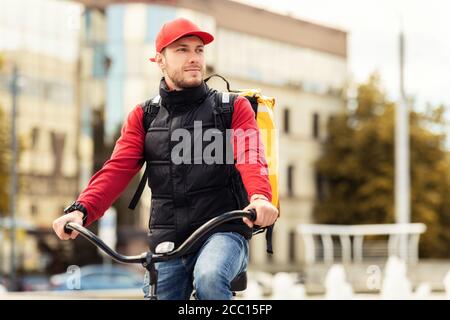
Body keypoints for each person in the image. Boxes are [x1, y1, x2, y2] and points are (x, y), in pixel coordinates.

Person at [52, 18, 278, 300]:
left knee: (209, 278)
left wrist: (259, 197)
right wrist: (80, 210)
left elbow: (251, 155)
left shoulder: (231, 108)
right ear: (160, 60)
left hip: (223, 231)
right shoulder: (144, 116)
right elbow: (117, 169)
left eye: (199, 50)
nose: (194, 58)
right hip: (167, 240)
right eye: (182, 50)